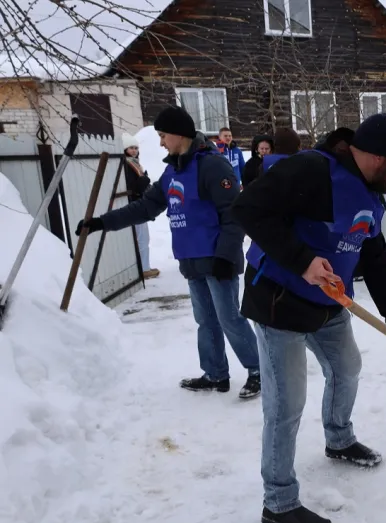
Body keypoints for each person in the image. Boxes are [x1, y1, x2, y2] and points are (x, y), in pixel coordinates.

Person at [232, 113, 386, 523]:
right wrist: (302, 261)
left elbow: (375, 258)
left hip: (329, 305)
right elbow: (247, 209)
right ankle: (279, 502)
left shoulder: (370, 194)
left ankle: (339, 438)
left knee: (347, 368)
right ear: (378, 157)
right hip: (278, 302)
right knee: (286, 404)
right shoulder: (312, 170)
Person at [76, 107, 263, 400]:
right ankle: (215, 373)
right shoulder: (173, 171)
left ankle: (259, 371)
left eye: (163, 136)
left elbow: (233, 213)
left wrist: (226, 257)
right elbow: (146, 207)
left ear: (179, 134)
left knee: (229, 319)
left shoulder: (212, 166)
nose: (161, 142)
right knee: (206, 321)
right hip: (191, 260)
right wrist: (103, 222)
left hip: (217, 260)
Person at [121, 131, 159, 279]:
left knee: (141, 238)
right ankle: (144, 268)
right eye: (131, 148)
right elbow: (132, 186)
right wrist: (143, 181)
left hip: (136, 204)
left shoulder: (135, 164)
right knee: (141, 238)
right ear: (125, 149)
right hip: (134, 205)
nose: (134, 151)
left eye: (136, 148)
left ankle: (143, 267)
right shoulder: (127, 165)